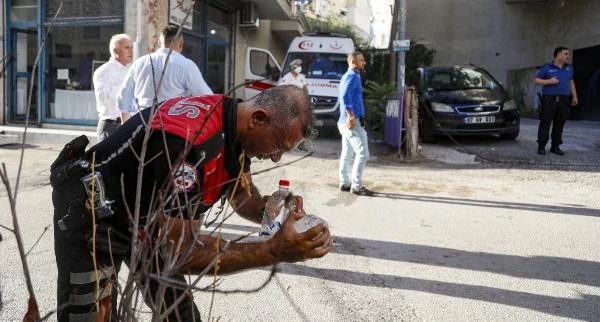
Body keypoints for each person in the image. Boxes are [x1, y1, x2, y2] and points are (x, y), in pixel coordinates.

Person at [50, 85, 331, 321]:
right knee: (91, 314)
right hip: (92, 217)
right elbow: (184, 253)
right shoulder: (191, 145)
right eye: (279, 145)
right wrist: (273, 250)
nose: (276, 158)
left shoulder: (233, 121)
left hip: (146, 220)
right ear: (258, 119)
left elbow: (240, 192)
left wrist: (268, 212)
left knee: (179, 314)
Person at [116, 24, 212, 123]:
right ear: (181, 44)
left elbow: (123, 96)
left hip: (140, 123)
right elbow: (207, 98)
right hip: (170, 126)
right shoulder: (187, 66)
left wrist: (125, 123)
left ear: (158, 42)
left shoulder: (139, 63)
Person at [337, 51, 373, 196]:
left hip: (344, 122)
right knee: (363, 153)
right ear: (353, 62)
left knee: (347, 152)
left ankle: (344, 182)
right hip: (352, 122)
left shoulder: (349, 76)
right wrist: (351, 117)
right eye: (361, 60)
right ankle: (357, 186)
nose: (364, 62)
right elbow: (345, 97)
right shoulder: (352, 76)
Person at [534, 46, 578, 155]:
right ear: (558, 55)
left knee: (559, 124)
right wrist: (549, 81)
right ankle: (541, 146)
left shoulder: (569, 68)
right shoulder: (547, 68)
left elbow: (571, 82)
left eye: (568, 54)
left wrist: (575, 96)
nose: (568, 56)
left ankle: (555, 147)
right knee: (545, 123)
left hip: (564, 100)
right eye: (566, 54)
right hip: (549, 100)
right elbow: (536, 80)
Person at [93, 34, 133, 142]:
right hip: (112, 126)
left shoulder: (132, 69)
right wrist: (126, 88)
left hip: (131, 125)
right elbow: (103, 98)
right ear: (116, 51)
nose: (131, 51)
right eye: (127, 47)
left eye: (132, 47)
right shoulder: (103, 71)